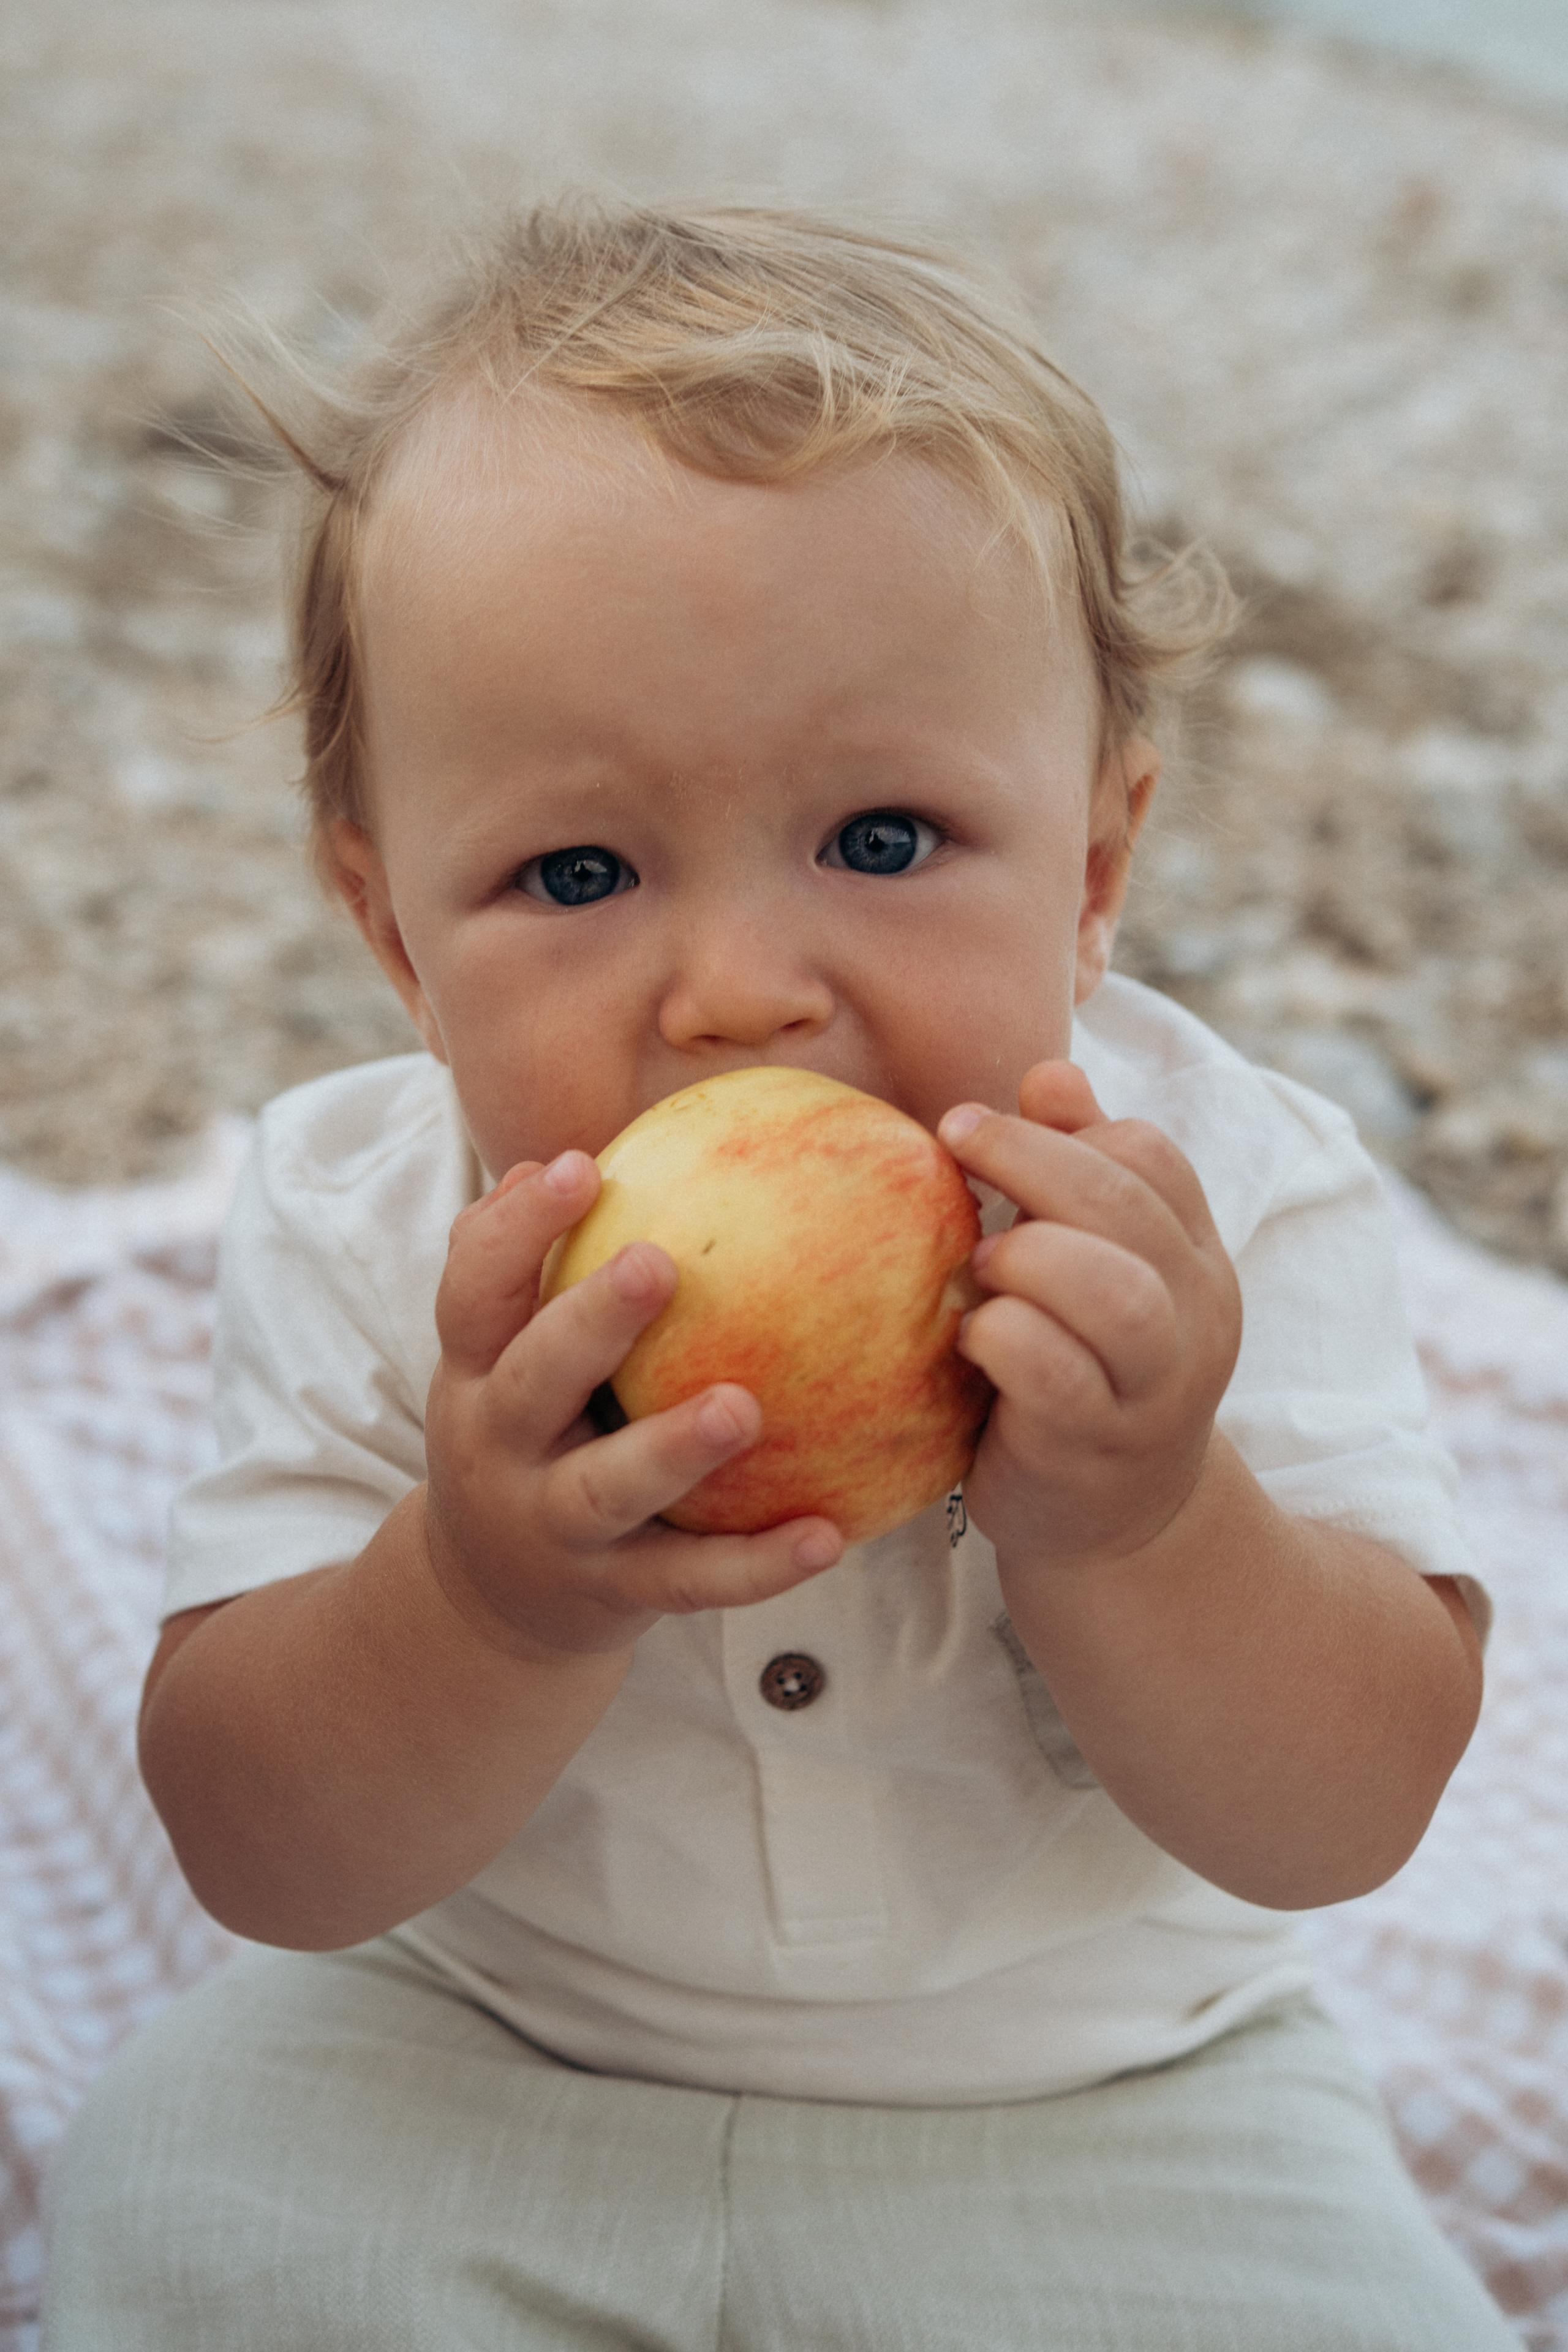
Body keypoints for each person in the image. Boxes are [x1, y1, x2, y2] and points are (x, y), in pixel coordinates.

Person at [42, 203, 1518, 2350]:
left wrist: (1154, 1511)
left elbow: (1349, 1813)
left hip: (1111, 2106)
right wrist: (475, 1587)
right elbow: (263, 1857)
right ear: (394, 936)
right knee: (176, 2207)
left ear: (1097, 871)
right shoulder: (378, 1228)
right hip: (466, 2051)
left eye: (887, 841)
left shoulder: (1210, 1211)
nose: (740, 995)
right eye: (574, 873)